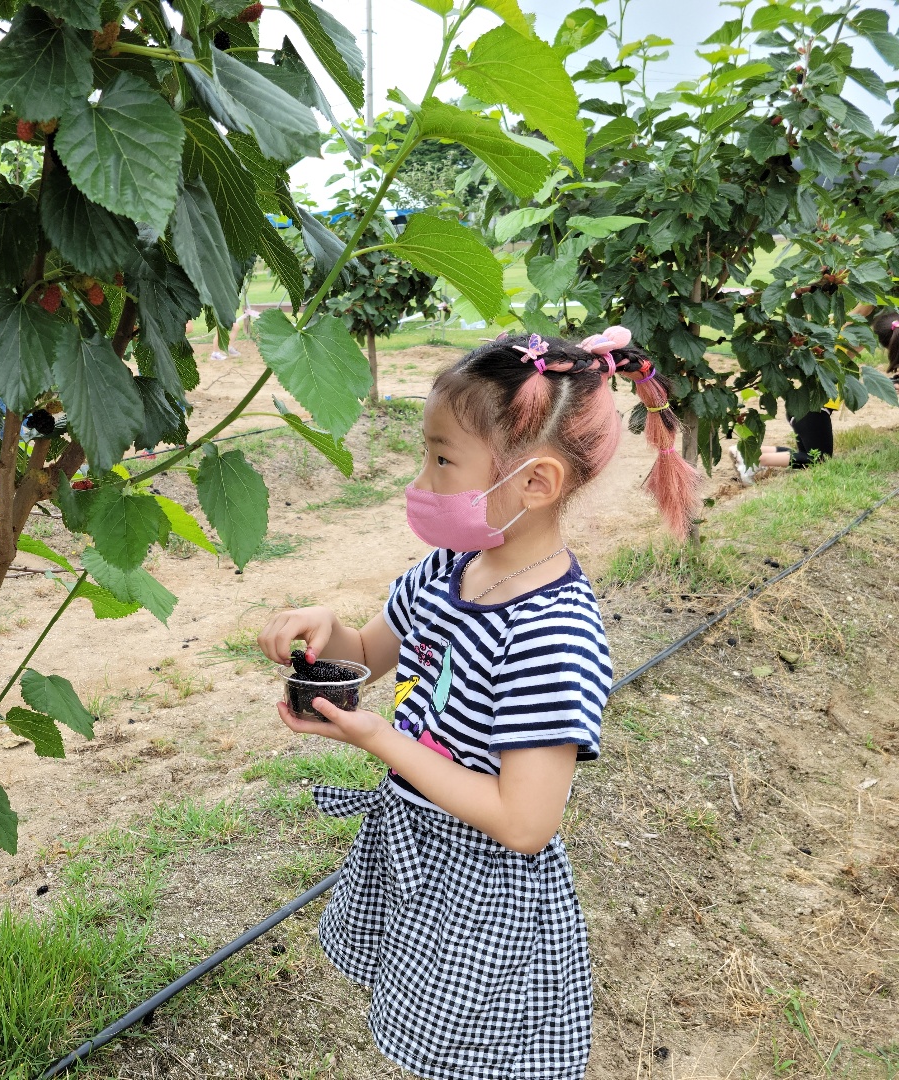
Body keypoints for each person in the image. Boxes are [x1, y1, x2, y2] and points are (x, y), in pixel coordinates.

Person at [256, 327, 697, 1080]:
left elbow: (524, 822)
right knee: (420, 1030)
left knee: (473, 1055)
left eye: (442, 459)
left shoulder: (552, 635)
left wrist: (378, 741)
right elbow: (375, 651)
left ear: (535, 483)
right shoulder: (453, 565)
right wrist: (333, 636)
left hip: (482, 891)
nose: (421, 481)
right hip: (418, 851)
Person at [728, 398, 838, 485]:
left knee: (805, 457)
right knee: (820, 459)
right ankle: (755, 461)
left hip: (801, 405)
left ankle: (747, 452)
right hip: (813, 410)